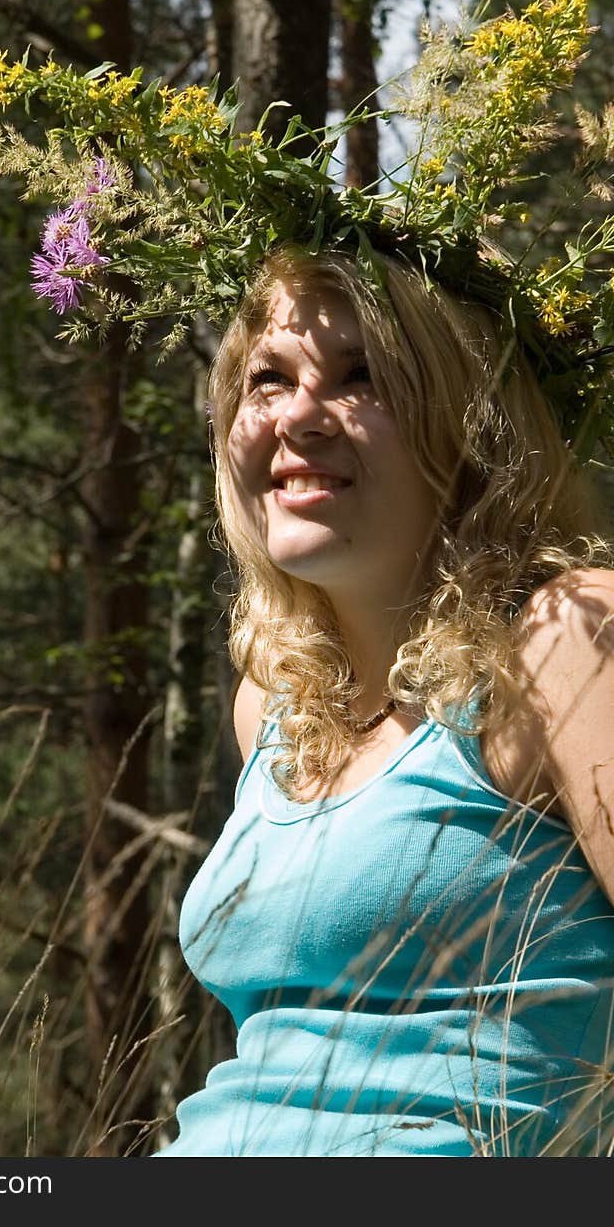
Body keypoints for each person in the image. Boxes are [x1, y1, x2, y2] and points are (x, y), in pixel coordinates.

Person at [156, 246, 614, 1157]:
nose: (298, 418)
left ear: (467, 422)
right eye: (268, 380)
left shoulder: (571, 635)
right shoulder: (274, 706)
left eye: (360, 376)